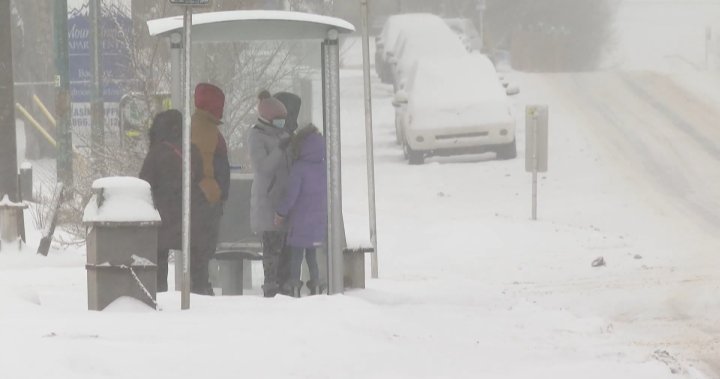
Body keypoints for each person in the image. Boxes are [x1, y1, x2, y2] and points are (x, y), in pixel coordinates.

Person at [139, 109, 201, 292]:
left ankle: (160, 292)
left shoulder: (156, 153)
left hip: (162, 217)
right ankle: (197, 293)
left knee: (158, 258)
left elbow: (144, 184)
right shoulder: (192, 150)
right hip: (190, 216)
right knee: (194, 261)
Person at [274, 125, 327, 297]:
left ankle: (295, 286)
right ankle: (316, 285)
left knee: (296, 256)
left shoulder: (299, 168)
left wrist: (280, 213)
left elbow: (291, 196)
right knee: (312, 257)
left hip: (300, 221)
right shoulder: (323, 167)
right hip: (318, 220)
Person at [248, 90, 291, 297]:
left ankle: (284, 286)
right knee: (271, 250)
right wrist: (280, 150)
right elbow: (263, 167)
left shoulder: (282, 134)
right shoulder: (256, 135)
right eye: (279, 120)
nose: (282, 124)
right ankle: (270, 288)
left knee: (285, 251)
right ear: (267, 118)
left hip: (284, 201)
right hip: (267, 201)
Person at [190, 83, 230, 295]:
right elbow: (204, 165)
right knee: (202, 247)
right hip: (207, 200)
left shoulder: (203, 125)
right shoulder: (205, 128)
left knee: (202, 248)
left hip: (206, 199)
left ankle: (200, 285)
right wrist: (215, 192)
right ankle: (200, 287)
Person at [272, 92, 302, 292]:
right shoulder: (292, 139)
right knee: (289, 252)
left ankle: (281, 283)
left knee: (279, 250)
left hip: (278, 204)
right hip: (291, 206)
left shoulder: (276, 137)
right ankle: (288, 283)